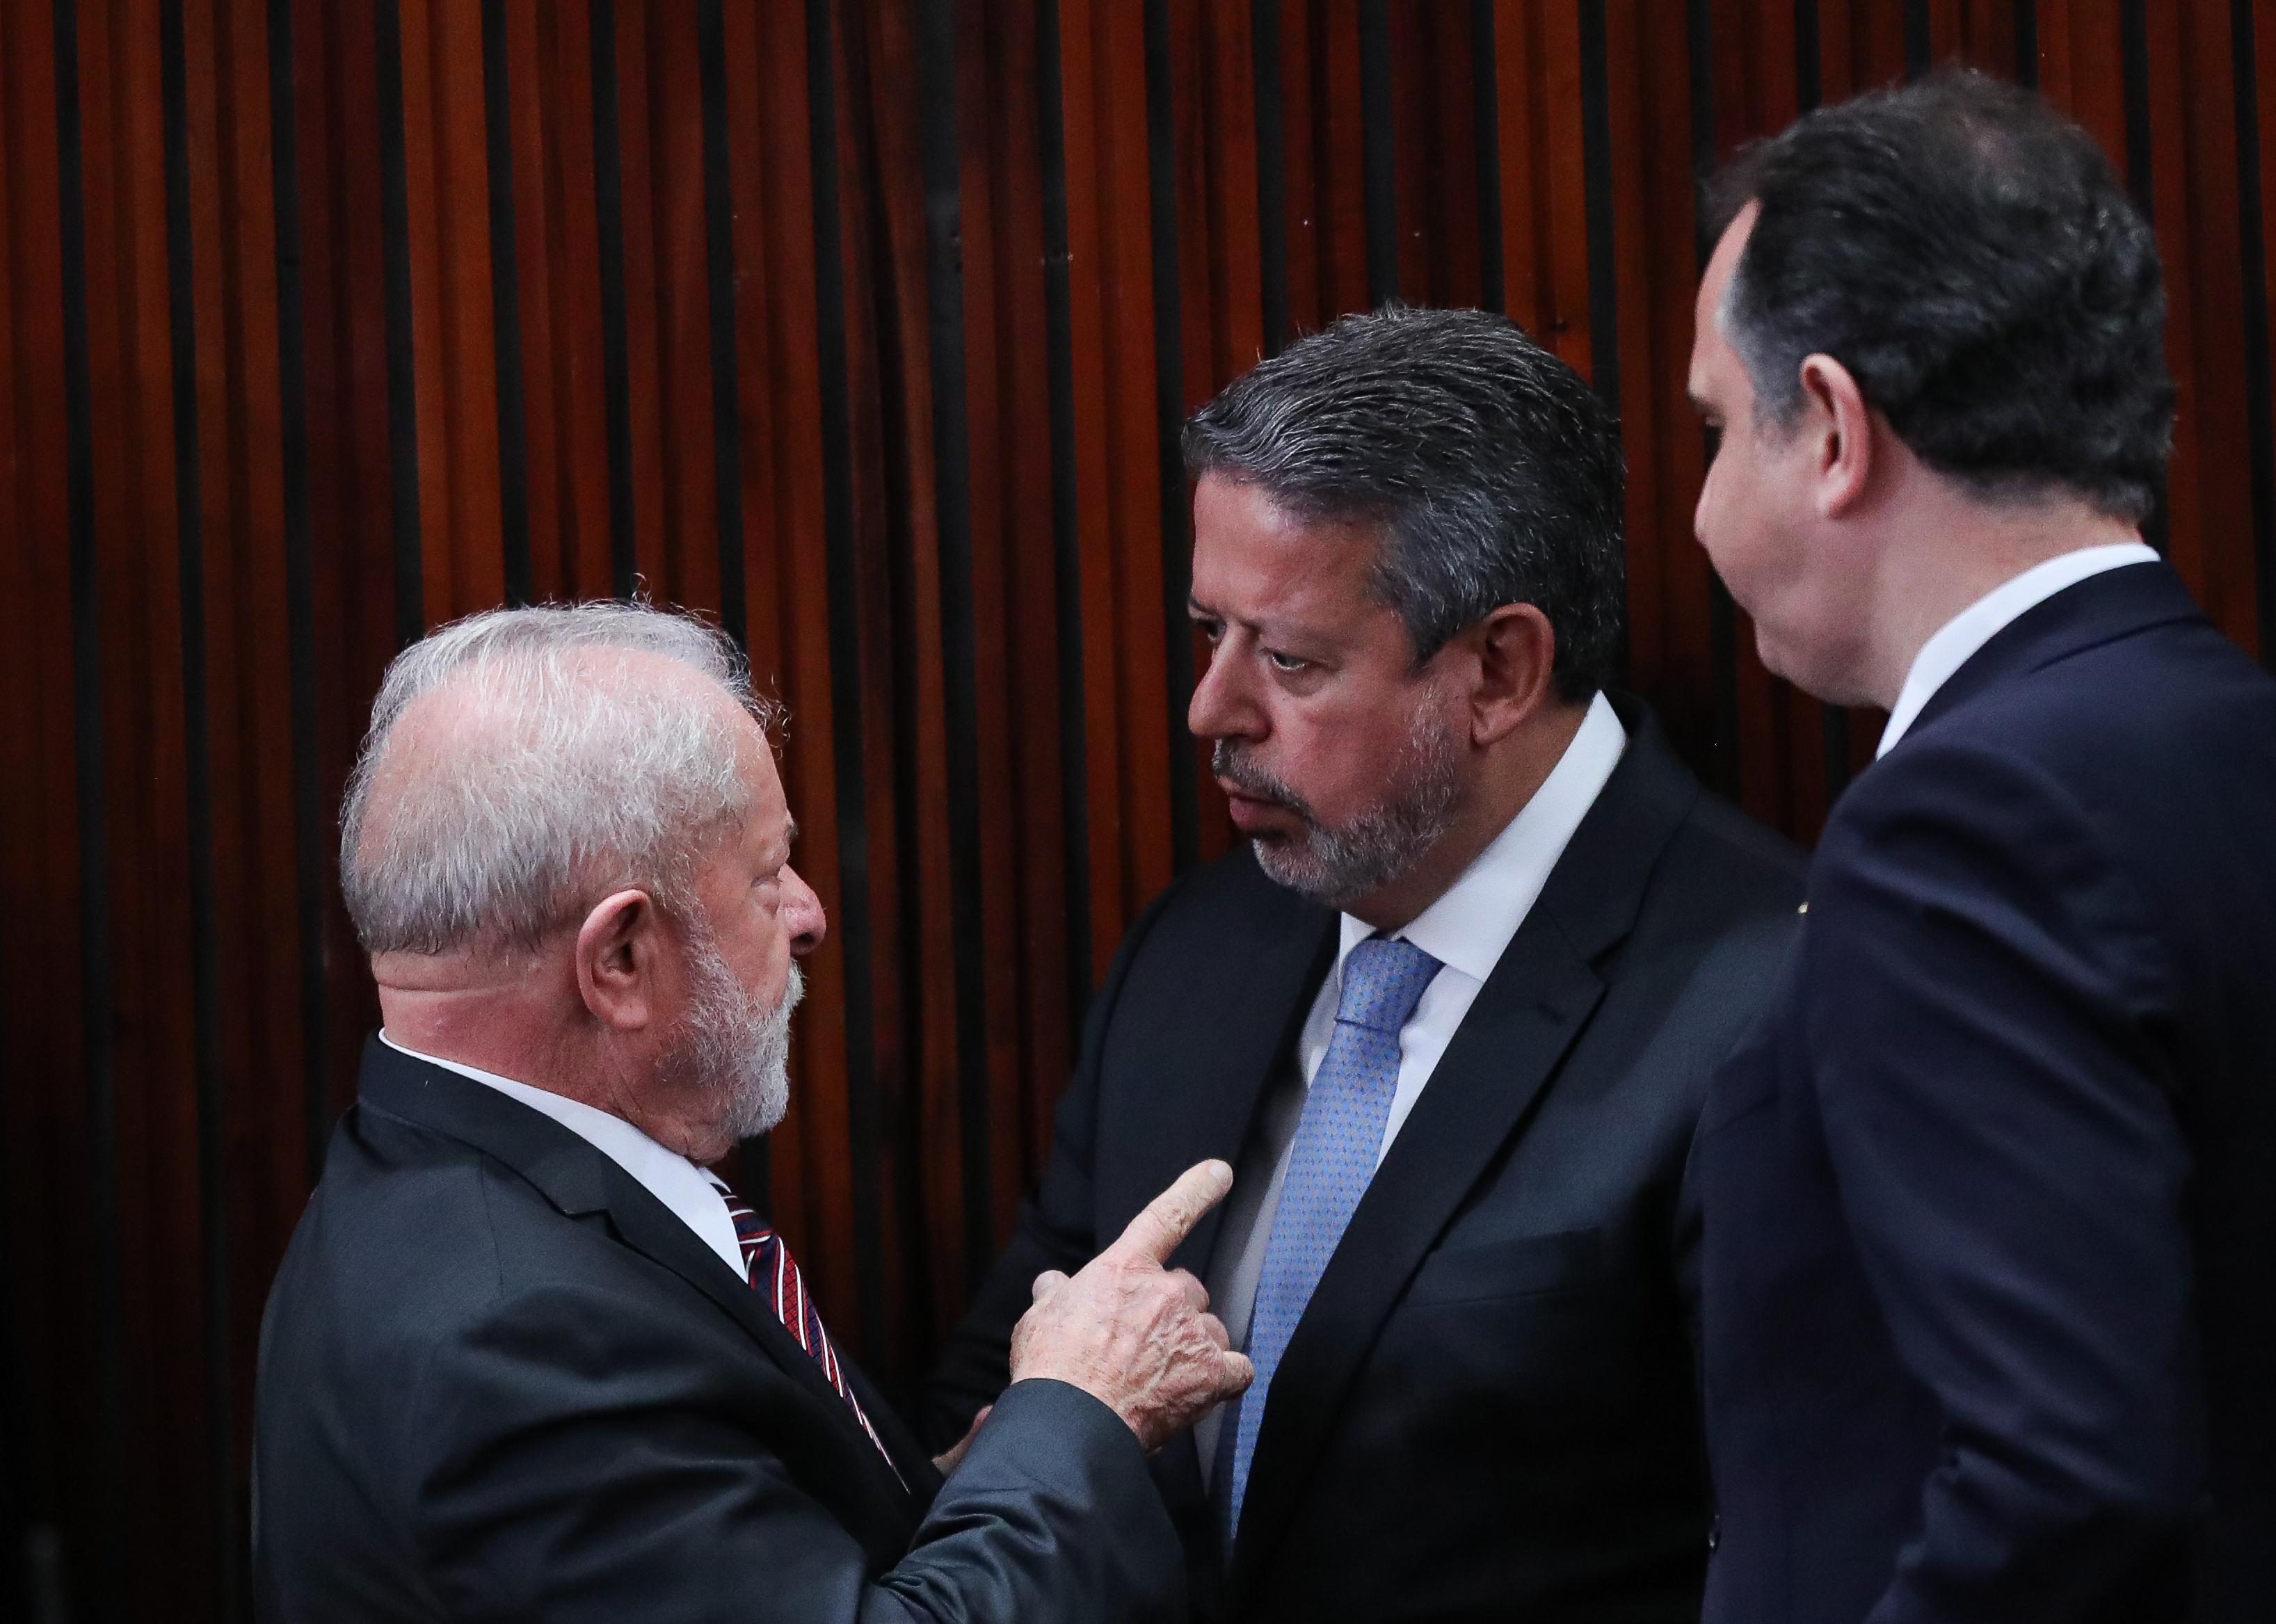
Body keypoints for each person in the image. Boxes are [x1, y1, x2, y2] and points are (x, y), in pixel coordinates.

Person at [1685, 70, 2276, 1622]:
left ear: (1834, 431)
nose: (1699, 509)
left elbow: (2061, 1483)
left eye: (1719, 430)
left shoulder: (1956, 823)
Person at [922, 307, 1809, 1623]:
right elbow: (987, 1403)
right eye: (1209, 634)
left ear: (1499, 670)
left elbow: (1804, 1547)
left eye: (1289, 659)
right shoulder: (1199, 951)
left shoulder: (1777, 994)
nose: (1211, 709)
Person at [251, 603, 1252, 1623]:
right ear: (621, 959)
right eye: (768, 875)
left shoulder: (412, 1167)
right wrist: (1083, 1413)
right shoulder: (517, 1343)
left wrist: (984, 1481)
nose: (810, 914)